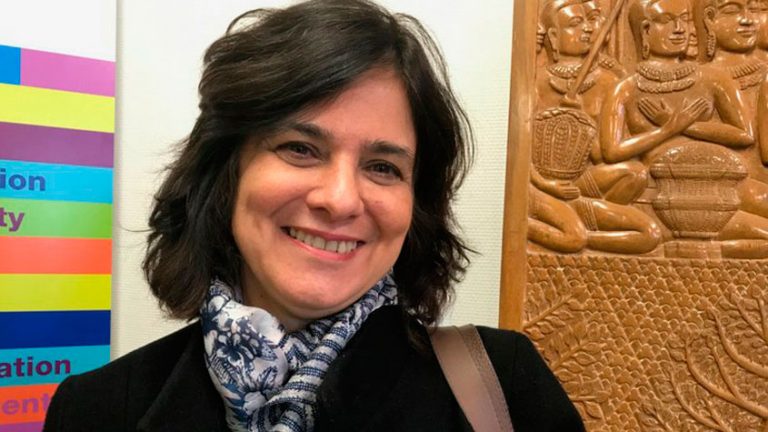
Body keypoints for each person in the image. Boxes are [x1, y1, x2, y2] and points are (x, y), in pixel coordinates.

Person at [43, 1, 585, 431]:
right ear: (227, 172)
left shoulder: (505, 387)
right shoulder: (95, 410)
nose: (341, 199)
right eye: (300, 149)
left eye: (382, 167)